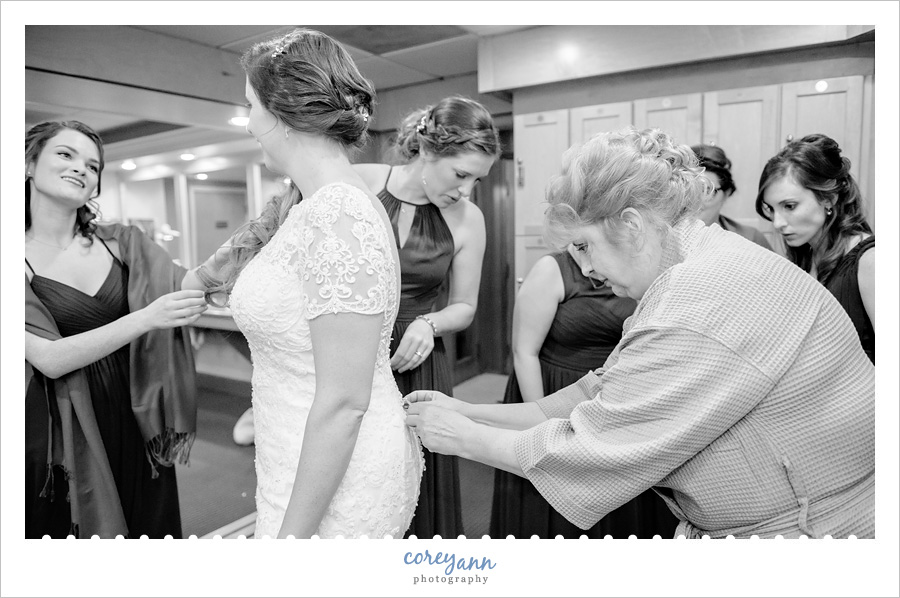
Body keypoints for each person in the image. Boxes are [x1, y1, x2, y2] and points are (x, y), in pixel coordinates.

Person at [405, 127, 875, 539]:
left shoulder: (695, 296)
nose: (585, 268)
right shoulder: (703, 258)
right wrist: (471, 411)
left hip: (811, 531)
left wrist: (462, 436)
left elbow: (592, 445)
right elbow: (602, 391)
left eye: (585, 245)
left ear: (630, 225)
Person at [184, 28, 423, 539]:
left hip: (335, 466)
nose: (248, 123)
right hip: (296, 447)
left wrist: (289, 545)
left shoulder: (337, 212)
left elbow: (344, 402)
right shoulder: (310, 206)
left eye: (250, 106)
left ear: (282, 113)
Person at [25, 120, 206, 539]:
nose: (81, 169)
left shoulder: (122, 242)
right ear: (30, 164)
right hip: (65, 423)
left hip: (138, 407)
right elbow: (50, 360)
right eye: (65, 155)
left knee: (151, 529)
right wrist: (146, 317)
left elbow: (187, 283)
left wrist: (263, 235)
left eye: (92, 165)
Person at [353, 96, 500, 538]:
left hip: (417, 361)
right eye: (461, 174)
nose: (467, 189)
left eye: (477, 179)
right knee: (359, 473)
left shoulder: (468, 219)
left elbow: (466, 305)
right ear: (428, 150)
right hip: (352, 347)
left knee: (419, 476)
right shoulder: (359, 182)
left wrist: (428, 322)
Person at [490, 247, 678, 539]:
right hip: (554, 387)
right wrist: (542, 426)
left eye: (591, 245)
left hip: (615, 393)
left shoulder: (638, 270)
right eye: (578, 246)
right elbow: (524, 352)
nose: (588, 262)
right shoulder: (550, 270)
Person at [756, 134, 875, 363]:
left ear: (828, 198)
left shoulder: (870, 260)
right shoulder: (804, 257)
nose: (777, 223)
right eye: (771, 209)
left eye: (789, 206)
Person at [690, 144, 771, 249]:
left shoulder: (751, 239)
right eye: (689, 189)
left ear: (726, 193)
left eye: (707, 190)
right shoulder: (665, 239)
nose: (696, 199)